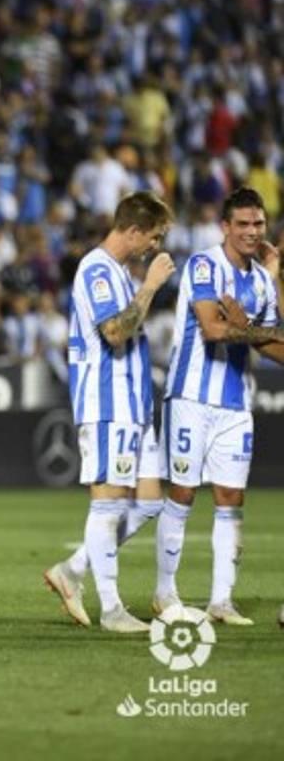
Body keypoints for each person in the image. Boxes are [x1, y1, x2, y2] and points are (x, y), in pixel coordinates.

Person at [42, 191, 174, 633]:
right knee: (110, 505)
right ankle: (112, 609)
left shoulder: (119, 272)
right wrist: (151, 285)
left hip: (134, 405)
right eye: (152, 236)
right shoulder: (97, 269)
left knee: (152, 501)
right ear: (132, 230)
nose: (154, 245)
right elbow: (115, 332)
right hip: (107, 402)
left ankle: (73, 570)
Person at [157, 187, 284, 626]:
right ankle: (165, 592)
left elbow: (277, 347)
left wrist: (246, 326)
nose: (252, 232)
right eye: (244, 224)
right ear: (225, 227)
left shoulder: (264, 281)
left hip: (235, 402)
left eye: (259, 224)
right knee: (184, 492)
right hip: (191, 395)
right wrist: (250, 330)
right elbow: (212, 330)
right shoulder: (204, 264)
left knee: (231, 498)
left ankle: (221, 600)